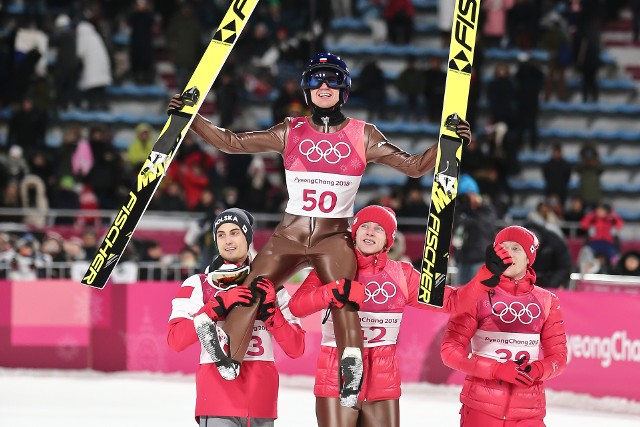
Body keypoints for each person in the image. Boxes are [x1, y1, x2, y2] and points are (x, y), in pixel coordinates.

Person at [167, 52, 473, 406]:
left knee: (344, 294)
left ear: (344, 89)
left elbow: (415, 167)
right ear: (306, 89)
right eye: (316, 79)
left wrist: (448, 143)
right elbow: (231, 143)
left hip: (333, 237)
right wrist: (192, 119)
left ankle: (352, 365)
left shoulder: (364, 134)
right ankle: (228, 358)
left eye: (332, 79)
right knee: (252, 289)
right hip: (290, 235)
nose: (323, 86)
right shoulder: (290, 129)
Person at [288, 205, 494, 426]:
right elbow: (297, 306)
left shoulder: (402, 275)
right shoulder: (331, 267)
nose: (369, 232)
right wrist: (334, 290)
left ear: (389, 239)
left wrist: (485, 277)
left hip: (382, 380)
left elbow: (453, 301)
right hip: (336, 375)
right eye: (364, 226)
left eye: (378, 228)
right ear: (354, 233)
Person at [167, 208, 305, 426]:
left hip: (262, 403)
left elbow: (296, 348)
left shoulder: (273, 288)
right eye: (220, 234)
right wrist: (217, 305)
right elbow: (176, 340)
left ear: (248, 237)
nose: (227, 240)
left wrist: (272, 312)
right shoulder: (198, 284)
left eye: (235, 232)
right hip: (217, 401)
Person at [441, 225, 568, 427]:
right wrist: (496, 370)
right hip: (480, 410)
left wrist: (538, 369)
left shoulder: (547, 301)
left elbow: (559, 358)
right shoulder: (476, 295)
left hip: (529, 413)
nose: (507, 253)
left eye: (516, 248)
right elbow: (450, 351)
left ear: (529, 258)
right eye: (502, 248)